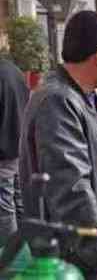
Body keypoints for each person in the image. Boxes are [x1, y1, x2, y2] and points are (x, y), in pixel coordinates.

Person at [18, 11, 97, 279]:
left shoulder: (89, 97)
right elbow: (70, 187)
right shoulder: (57, 100)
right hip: (75, 254)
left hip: (95, 245)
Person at [0, 59, 29, 247]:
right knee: (21, 202)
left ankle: (9, 257)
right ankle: (26, 249)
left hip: (3, 151)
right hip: (19, 146)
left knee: (4, 208)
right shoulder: (14, 70)